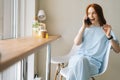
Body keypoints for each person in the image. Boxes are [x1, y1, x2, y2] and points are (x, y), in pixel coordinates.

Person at [66, 3, 120, 80]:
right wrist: (83, 27)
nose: (91, 16)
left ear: (99, 14)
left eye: (93, 13)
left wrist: (109, 36)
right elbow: (76, 43)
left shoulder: (106, 30)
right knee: (80, 61)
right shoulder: (85, 28)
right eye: (88, 13)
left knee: (73, 72)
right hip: (76, 59)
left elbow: (117, 50)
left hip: (93, 65)